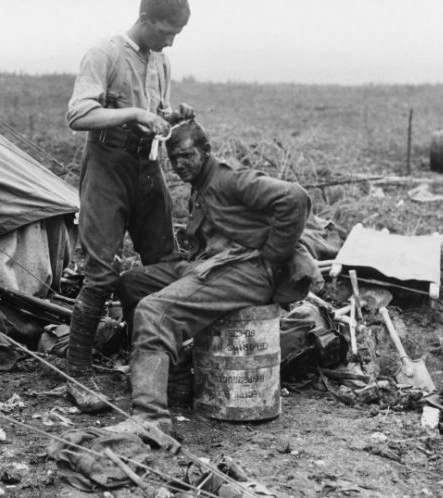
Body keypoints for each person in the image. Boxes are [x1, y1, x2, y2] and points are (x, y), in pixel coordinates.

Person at [108, 120, 316, 443]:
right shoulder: (201, 186)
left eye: (187, 156)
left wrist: (273, 257)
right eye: (173, 160)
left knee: (153, 312)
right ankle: (169, 377)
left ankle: (150, 417)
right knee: (132, 284)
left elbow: (295, 199)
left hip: (245, 271)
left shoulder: (229, 179)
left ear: (206, 151)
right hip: (210, 264)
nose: (179, 165)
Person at [65, 0, 194, 411]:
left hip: (147, 167)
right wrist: (134, 114)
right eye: (164, 31)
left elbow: (156, 113)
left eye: (176, 34)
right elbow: (78, 113)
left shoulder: (162, 61)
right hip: (107, 166)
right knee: (101, 274)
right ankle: (77, 374)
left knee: (164, 267)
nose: (169, 40)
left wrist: (168, 116)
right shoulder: (104, 53)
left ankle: (153, 361)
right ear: (143, 18)